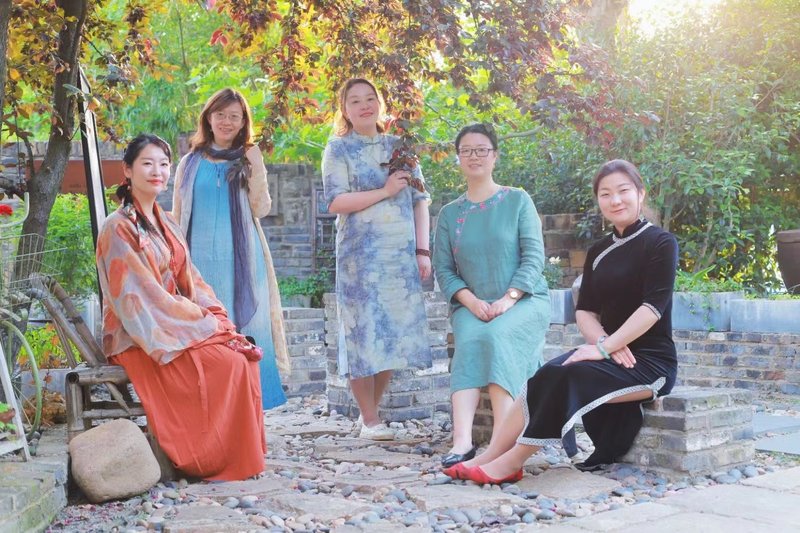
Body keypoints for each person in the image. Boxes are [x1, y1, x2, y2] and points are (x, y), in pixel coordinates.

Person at [444, 159, 679, 484]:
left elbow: (652, 308)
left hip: (649, 363)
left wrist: (606, 347)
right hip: (610, 354)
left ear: (641, 193)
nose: (615, 200)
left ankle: (512, 461)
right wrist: (604, 345)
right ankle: (490, 454)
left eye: (623, 191)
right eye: (605, 194)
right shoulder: (598, 251)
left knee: (567, 377)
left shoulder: (661, 243)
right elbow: (585, 311)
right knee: (545, 375)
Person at [96, 134, 266, 480]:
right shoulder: (118, 227)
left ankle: (239, 455)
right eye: (147, 163)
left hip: (175, 324)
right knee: (228, 363)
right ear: (127, 170)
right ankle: (209, 459)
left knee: (243, 354)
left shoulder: (167, 221)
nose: (156, 171)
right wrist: (202, 322)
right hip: (141, 335)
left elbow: (193, 280)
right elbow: (141, 299)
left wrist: (215, 315)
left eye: (163, 164)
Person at [433, 123, 551, 467]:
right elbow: (444, 270)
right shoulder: (449, 214)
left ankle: (501, 441)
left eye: (482, 149)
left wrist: (508, 298)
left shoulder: (517, 200)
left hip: (524, 300)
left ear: (495, 156)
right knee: (470, 339)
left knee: (498, 336)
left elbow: (534, 257)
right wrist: (470, 301)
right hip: (472, 305)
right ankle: (462, 442)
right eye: (466, 150)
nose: (474, 156)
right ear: (458, 158)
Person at [321, 78, 432, 440]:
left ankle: (371, 413)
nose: (364, 105)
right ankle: (369, 419)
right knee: (361, 333)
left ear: (380, 103)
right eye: (355, 100)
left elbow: (420, 201)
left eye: (370, 98)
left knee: (392, 335)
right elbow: (336, 202)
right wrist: (384, 191)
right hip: (359, 258)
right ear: (345, 110)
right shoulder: (338, 149)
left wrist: (422, 250)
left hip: (398, 257)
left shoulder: (400, 147)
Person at [172, 88, 288, 410]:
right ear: (208, 118)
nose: (226, 121)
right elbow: (178, 215)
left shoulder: (248, 158)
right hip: (199, 264)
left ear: (243, 122)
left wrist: (256, 165)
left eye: (234, 116)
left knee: (247, 328)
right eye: (220, 114)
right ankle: (211, 406)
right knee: (207, 330)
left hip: (243, 262)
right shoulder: (189, 162)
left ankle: (249, 406)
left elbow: (261, 208)